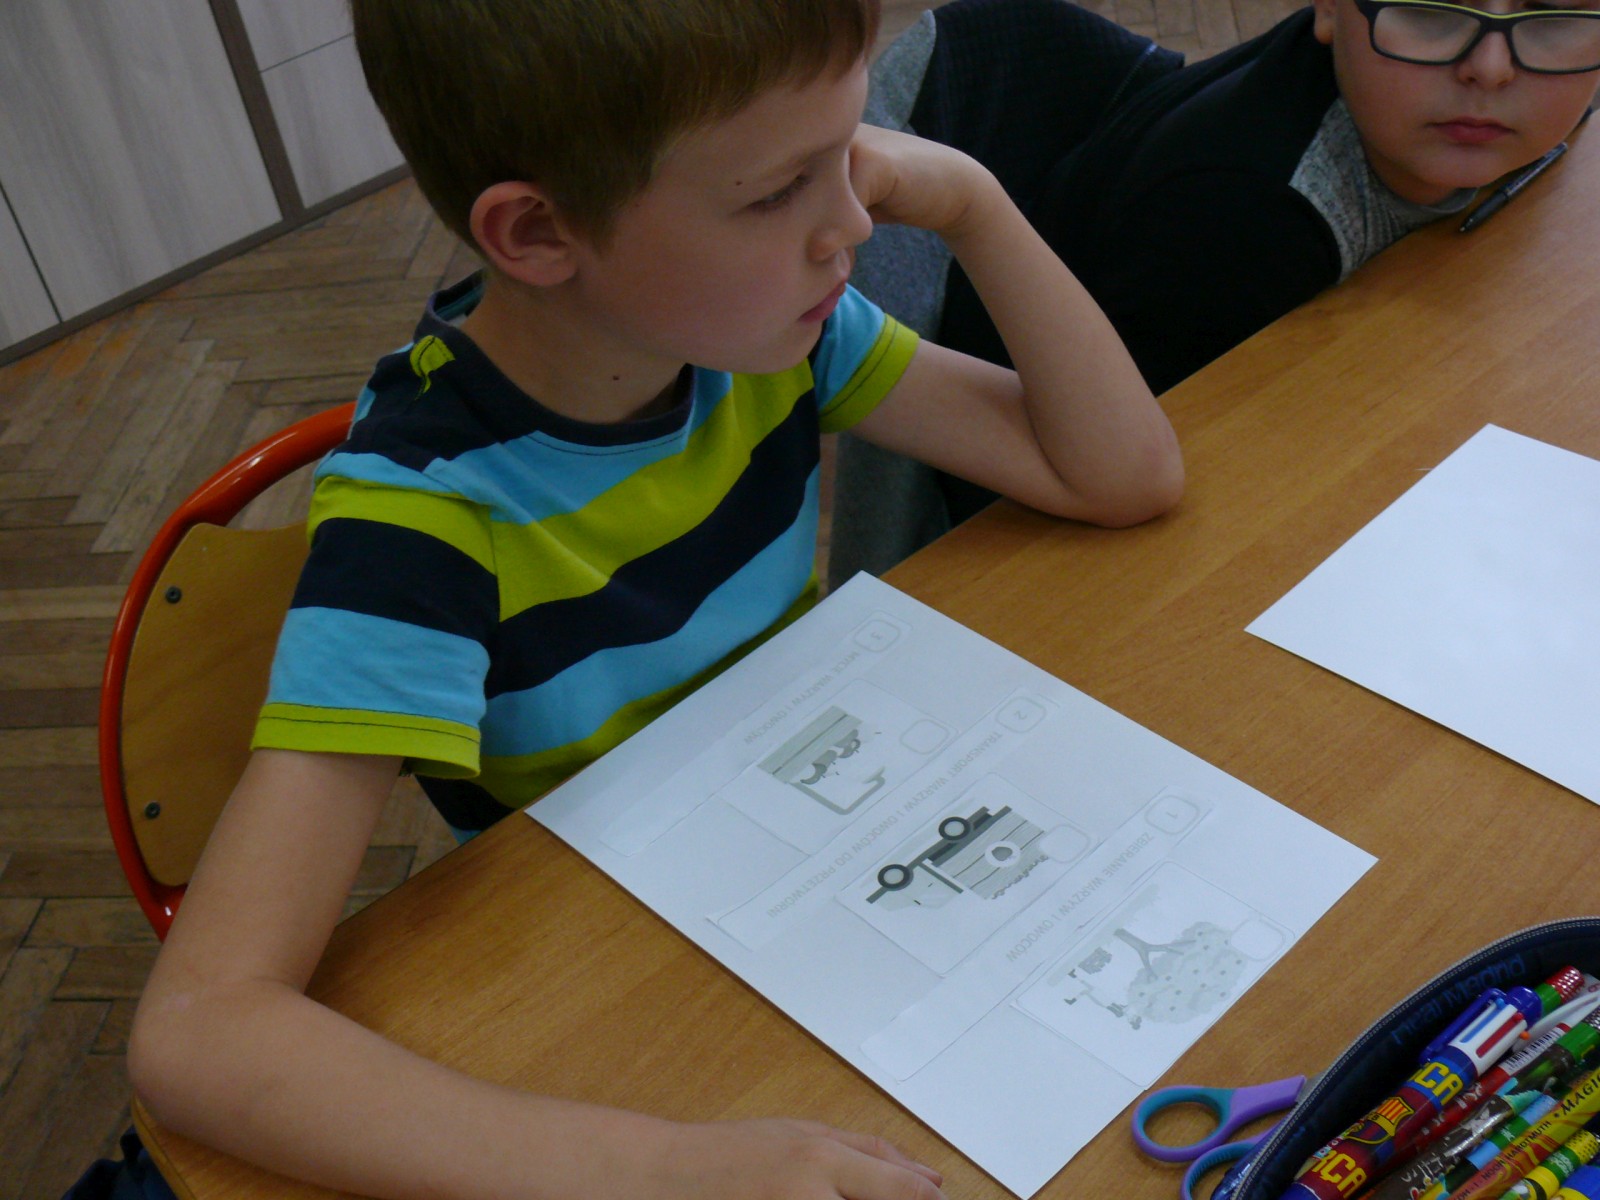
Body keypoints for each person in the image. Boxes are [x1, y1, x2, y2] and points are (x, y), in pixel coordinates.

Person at [115, 2, 1181, 1199]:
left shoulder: (762, 339)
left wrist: (975, 203)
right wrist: (666, 1170)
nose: (851, 223)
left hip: (808, 874)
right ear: (537, 232)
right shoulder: (422, 521)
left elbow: (1122, 474)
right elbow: (200, 1032)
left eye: (848, 152)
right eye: (775, 192)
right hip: (625, 983)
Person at [830, 0, 1600, 587]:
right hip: (1042, 516)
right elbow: (1160, 511)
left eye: (1553, 13)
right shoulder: (1244, 218)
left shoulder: (1507, 98)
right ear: (1330, 10)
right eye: (1430, 10)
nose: (1492, 68)